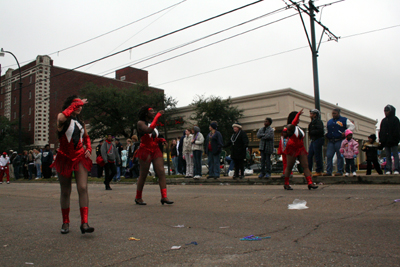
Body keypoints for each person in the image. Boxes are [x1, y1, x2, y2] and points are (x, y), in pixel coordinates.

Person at [51, 95, 94, 234]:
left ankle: (85, 223)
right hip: (64, 158)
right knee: (65, 191)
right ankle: (65, 222)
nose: (80, 107)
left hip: (79, 157)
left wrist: (88, 148)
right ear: (71, 105)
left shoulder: (81, 122)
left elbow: (86, 137)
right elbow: (61, 118)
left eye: (81, 105)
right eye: (77, 104)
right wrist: (75, 103)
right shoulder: (62, 118)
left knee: (82, 187)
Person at [134, 106, 173, 205]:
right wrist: (158, 116)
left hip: (155, 149)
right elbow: (148, 131)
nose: (153, 112)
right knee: (143, 174)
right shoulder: (140, 123)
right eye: (151, 111)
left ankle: (164, 197)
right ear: (146, 113)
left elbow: (155, 136)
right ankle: (138, 197)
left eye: (154, 111)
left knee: (161, 172)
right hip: (145, 150)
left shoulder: (154, 125)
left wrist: (162, 140)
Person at [283, 109, 318, 190]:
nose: (299, 120)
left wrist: (298, 115)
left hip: (300, 147)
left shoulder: (298, 127)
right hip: (292, 148)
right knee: (289, 166)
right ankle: (286, 183)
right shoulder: (290, 127)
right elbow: (293, 123)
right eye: (297, 118)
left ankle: (310, 183)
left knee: (305, 165)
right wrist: (298, 114)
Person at [325, 108, 355, 176]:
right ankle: (329, 171)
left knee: (339, 156)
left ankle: (340, 171)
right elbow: (326, 129)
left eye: (335, 113)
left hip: (339, 140)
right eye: (333, 113)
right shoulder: (329, 121)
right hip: (331, 141)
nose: (334, 115)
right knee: (329, 156)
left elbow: (352, 126)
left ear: (338, 113)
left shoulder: (344, 120)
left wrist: (346, 132)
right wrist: (326, 134)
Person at [379, 105, 400, 174]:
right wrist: (382, 141)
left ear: (391, 111)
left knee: (395, 155)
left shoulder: (395, 120)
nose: (385, 112)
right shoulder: (384, 121)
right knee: (387, 156)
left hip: (394, 141)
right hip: (386, 142)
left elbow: (397, 131)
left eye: (387, 111)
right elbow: (381, 131)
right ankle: (388, 169)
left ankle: (396, 169)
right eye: (385, 111)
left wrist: (396, 139)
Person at [308, 109, 325, 176]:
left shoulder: (318, 122)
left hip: (318, 139)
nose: (310, 115)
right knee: (309, 155)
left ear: (315, 114)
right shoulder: (312, 122)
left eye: (312, 114)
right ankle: (309, 170)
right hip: (313, 140)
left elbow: (320, 130)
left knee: (317, 156)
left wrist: (312, 132)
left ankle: (319, 170)